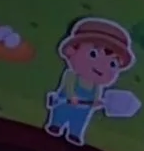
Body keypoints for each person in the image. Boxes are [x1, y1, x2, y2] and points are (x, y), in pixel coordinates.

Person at [44, 15, 136, 143]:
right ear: (72, 51)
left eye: (112, 64)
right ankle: (56, 125)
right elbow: (68, 86)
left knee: (79, 119)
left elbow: (97, 97)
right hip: (66, 103)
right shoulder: (72, 75)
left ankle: (74, 133)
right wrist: (71, 96)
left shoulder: (97, 87)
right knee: (61, 113)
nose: (102, 66)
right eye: (93, 54)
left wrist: (97, 102)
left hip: (83, 109)